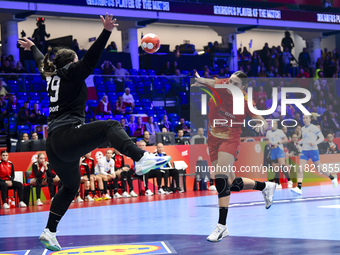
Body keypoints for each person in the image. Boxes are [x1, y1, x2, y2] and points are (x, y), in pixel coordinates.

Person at [18, 14, 170, 251]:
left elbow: (42, 63)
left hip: (54, 144)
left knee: (70, 186)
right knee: (109, 125)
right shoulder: (72, 71)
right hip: (68, 134)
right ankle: (140, 159)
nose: (79, 62)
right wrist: (107, 31)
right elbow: (92, 57)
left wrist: (34, 47)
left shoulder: (51, 75)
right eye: (76, 60)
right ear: (72, 62)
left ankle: (49, 231)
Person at [192, 71, 276, 242]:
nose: (231, 85)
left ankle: (222, 226)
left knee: (220, 178)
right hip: (212, 137)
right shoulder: (224, 84)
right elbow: (212, 83)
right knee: (229, 184)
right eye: (230, 81)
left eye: (235, 84)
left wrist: (263, 121)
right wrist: (202, 82)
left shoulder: (244, 100)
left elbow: (257, 114)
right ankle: (265, 187)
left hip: (230, 138)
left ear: (243, 87)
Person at [291, 113, 338, 195]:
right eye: (303, 118)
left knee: (319, 169)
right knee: (300, 169)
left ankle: (333, 178)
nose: (304, 119)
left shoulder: (314, 127)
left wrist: (314, 143)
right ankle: (299, 188)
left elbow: (322, 137)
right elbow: (304, 139)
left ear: (310, 119)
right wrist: (299, 142)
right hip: (305, 151)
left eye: (306, 118)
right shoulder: (302, 128)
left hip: (313, 151)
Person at [266, 121, 292, 189]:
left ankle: (289, 181)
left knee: (282, 166)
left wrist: (278, 143)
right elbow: (267, 141)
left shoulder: (280, 131)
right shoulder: (268, 132)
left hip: (279, 150)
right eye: (271, 123)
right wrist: (270, 144)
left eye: (274, 123)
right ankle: (278, 183)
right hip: (272, 151)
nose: (272, 125)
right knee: (276, 169)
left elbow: (285, 139)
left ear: (276, 125)